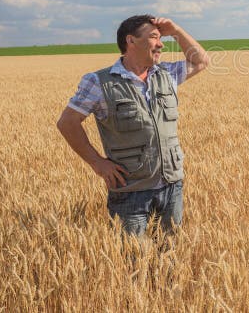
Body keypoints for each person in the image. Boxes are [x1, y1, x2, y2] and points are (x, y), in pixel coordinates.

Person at [56, 15, 209, 236]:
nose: (161, 44)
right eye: (154, 37)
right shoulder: (100, 82)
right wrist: (98, 163)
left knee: (170, 258)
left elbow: (201, 61)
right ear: (131, 41)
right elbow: (67, 123)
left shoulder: (167, 75)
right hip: (131, 192)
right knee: (132, 261)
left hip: (171, 187)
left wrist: (175, 30)